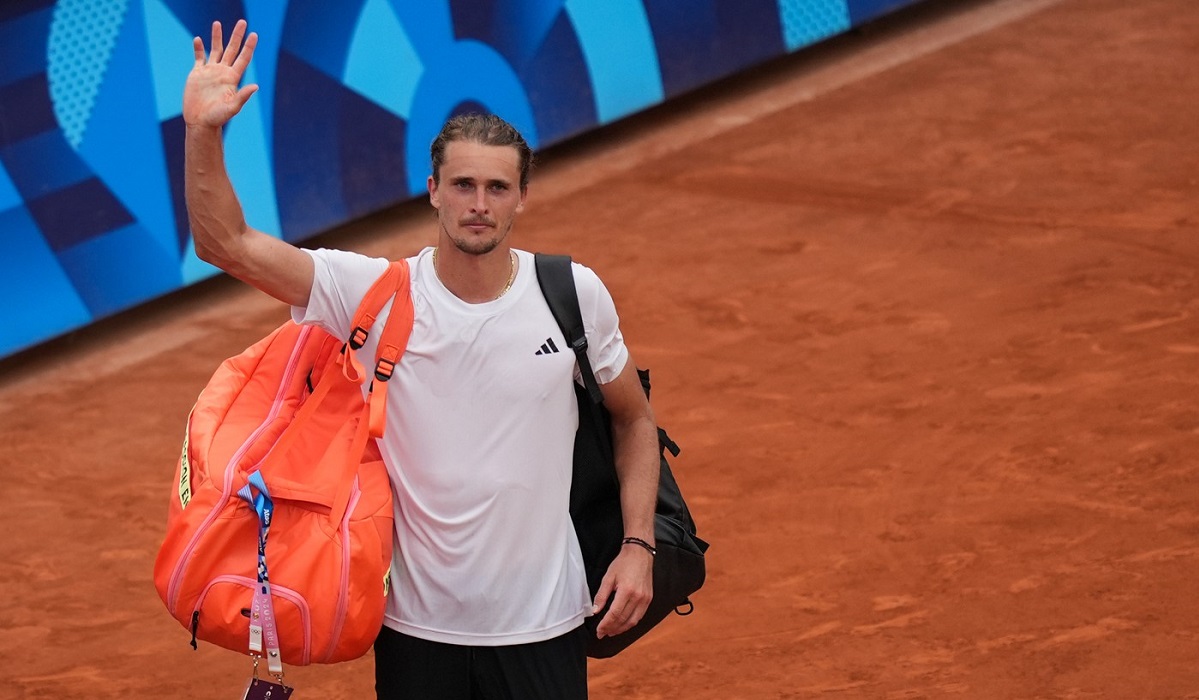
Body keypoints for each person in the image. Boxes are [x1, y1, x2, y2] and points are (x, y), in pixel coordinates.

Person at [184, 20, 660, 699]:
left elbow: (634, 422)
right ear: (433, 189)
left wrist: (638, 547)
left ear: (522, 196)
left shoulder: (572, 295)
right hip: (413, 634)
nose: (478, 205)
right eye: (462, 185)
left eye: (497, 189)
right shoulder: (372, 295)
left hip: (545, 626)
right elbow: (224, 242)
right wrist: (203, 133)